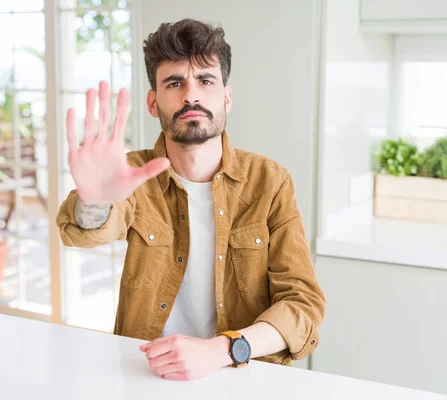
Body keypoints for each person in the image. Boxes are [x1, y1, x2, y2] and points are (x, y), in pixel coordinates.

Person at [56, 18, 325, 381]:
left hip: (244, 374)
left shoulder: (270, 181)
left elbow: (302, 305)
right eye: (174, 82)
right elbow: (87, 230)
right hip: (146, 373)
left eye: (206, 80)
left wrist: (223, 349)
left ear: (226, 96)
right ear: (153, 102)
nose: (191, 95)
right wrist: (94, 201)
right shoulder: (132, 174)